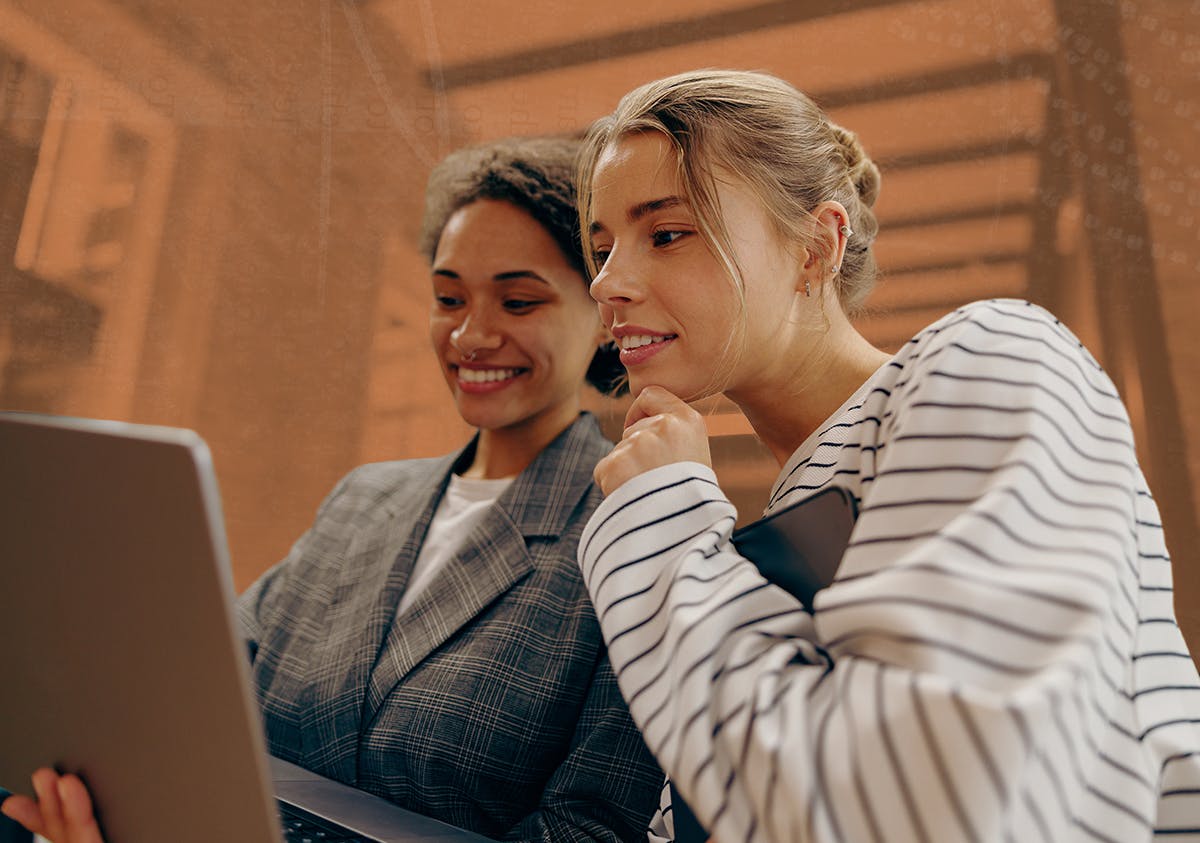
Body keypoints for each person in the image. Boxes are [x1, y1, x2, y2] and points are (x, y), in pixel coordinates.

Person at [573, 69, 1200, 842]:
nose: (607, 282)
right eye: (602, 248)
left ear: (815, 246)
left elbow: (910, 802)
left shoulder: (997, 356)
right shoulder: (791, 512)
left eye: (666, 233)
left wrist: (662, 526)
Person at [1, 136, 662, 842]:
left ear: (600, 315)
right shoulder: (362, 500)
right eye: (447, 298)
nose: (470, 335)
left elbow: (590, 829)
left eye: (519, 301)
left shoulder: (631, 538)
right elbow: (200, 695)